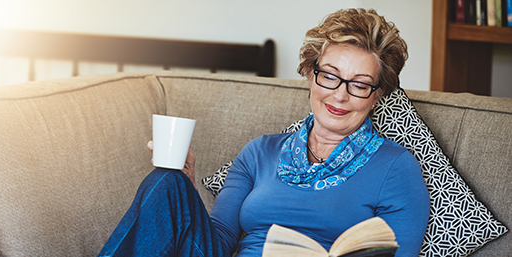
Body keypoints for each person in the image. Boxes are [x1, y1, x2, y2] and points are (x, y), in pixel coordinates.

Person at [98, 8, 430, 257]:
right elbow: (217, 242)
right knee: (166, 182)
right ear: (311, 75)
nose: (339, 95)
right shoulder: (259, 152)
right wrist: (186, 186)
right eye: (330, 76)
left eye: (359, 84)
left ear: (377, 94)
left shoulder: (396, 167)